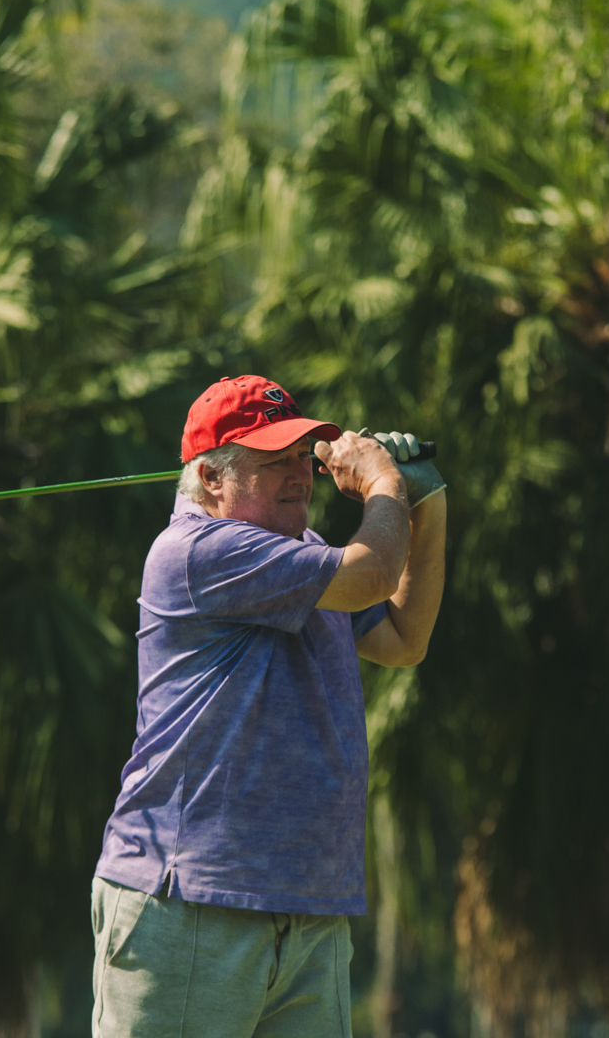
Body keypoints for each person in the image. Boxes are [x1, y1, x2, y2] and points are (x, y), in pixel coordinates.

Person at [91, 375, 448, 1037]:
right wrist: (381, 480)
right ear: (210, 478)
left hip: (310, 908)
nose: (300, 474)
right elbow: (373, 573)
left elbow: (405, 640)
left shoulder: (308, 556)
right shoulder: (197, 551)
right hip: (189, 901)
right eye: (274, 460)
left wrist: (427, 502)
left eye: (302, 456)